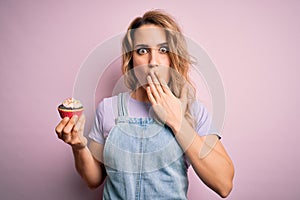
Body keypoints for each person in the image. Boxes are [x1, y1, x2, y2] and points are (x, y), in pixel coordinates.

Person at [55, 10, 234, 199]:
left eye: (163, 50)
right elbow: (94, 180)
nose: (153, 62)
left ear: (174, 59)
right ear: (131, 59)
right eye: (142, 51)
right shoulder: (108, 108)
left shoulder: (193, 110)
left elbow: (224, 184)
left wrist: (178, 122)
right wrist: (79, 146)